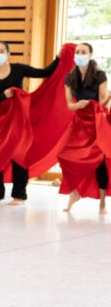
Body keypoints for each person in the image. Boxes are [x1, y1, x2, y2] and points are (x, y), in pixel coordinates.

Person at [0, 42, 61, 205]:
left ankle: (19, 195)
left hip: (18, 119)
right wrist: (3, 95)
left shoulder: (18, 69)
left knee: (19, 154)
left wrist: (58, 57)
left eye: (1, 51)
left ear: (8, 54)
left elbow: (46, 72)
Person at [58, 43, 109, 213]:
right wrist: (78, 105)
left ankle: (102, 202)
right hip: (79, 122)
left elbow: (103, 101)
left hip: (97, 121)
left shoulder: (100, 75)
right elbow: (69, 106)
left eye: (83, 52)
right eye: (77, 52)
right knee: (63, 154)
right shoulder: (70, 77)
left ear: (91, 55)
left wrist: (89, 103)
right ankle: (74, 193)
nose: (79, 54)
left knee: (99, 161)